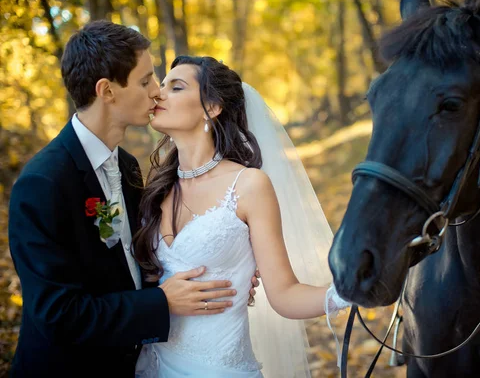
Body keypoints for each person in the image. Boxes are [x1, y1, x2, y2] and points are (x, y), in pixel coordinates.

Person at [7, 21, 258, 378]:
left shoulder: (125, 166)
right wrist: (161, 302)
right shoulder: (43, 184)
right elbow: (56, 314)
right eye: (145, 81)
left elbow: (132, 264)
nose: (157, 92)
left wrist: (228, 269)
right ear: (107, 91)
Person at [133, 55, 352, 378]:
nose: (158, 94)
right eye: (160, 85)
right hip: (150, 367)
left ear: (213, 106)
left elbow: (285, 295)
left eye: (175, 87)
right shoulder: (154, 189)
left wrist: (347, 293)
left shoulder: (248, 185)